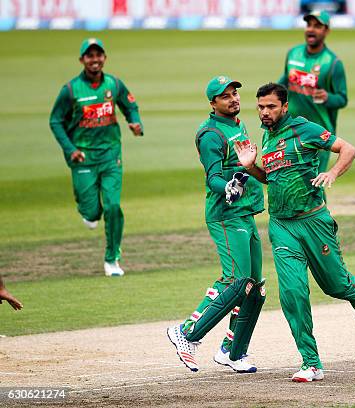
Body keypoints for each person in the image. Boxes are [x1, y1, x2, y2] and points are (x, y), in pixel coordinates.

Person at [234, 83, 355, 383]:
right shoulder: (266, 136)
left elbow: (348, 149)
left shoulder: (304, 129)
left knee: (335, 285)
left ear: (284, 106)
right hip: (282, 226)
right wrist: (250, 167)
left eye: (271, 107)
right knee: (292, 293)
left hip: (313, 221)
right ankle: (311, 362)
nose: (265, 112)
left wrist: (332, 173)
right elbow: (272, 179)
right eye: (260, 107)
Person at [166, 76, 266, 374]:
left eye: (235, 93)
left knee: (254, 288)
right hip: (225, 214)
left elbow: (242, 165)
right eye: (225, 96)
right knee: (236, 281)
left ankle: (232, 352)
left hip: (245, 212)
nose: (233, 98)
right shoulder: (210, 134)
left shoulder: (239, 124)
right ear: (213, 103)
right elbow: (212, 176)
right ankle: (187, 332)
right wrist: (228, 187)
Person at [49, 38, 143, 277]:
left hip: (111, 154)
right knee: (91, 213)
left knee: (112, 206)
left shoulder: (114, 84)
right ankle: (87, 208)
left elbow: (130, 105)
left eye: (98, 55)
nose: (95, 60)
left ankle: (112, 259)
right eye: (89, 56)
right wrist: (70, 149)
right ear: (82, 60)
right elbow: (55, 121)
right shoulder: (70, 90)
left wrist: (135, 122)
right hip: (83, 157)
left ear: (104, 58)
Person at [279, 10, 348, 175]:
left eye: (317, 26)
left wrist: (327, 97)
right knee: (291, 180)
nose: (311, 29)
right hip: (291, 128)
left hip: (319, 132)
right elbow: (284, 82)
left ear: (326, 31)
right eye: (309, 25)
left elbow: (342, 99)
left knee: (314, 181)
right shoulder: (293, 53)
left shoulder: (332, 63)